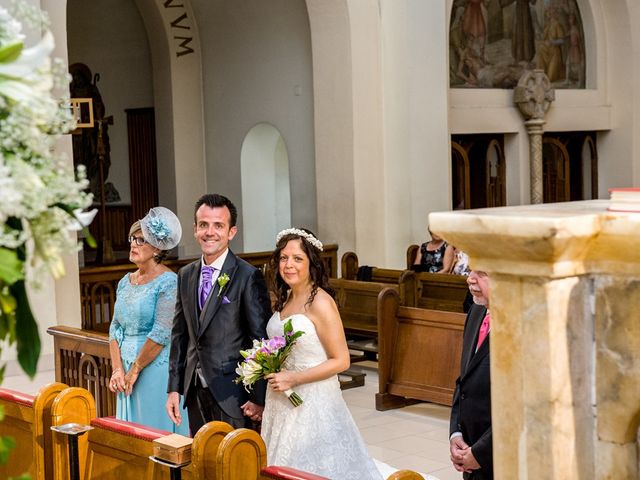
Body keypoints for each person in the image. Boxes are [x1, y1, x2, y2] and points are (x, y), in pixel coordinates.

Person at [260, 228, 383, 479]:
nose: (288, 265)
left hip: (313, 400)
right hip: (281, 398)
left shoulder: (320, 302)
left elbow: (341, 360)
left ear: (311, 263)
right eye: (283, 258)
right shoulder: (285, 299)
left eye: (297, 259)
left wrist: (294, 378)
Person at [166, 193, 271, 435]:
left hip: (234, 396)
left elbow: (260, 341)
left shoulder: (247, 276)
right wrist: (174, 388)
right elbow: (179, 335)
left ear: (231, 232)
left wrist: (258, 397)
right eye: (203, 225)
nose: (209, 232)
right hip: (194, 391)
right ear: (195, 229)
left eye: (218, 225)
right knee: (202, 464)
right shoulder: (186, 275)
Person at [108, 206, 188, 434]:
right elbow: (115, 327)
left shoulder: (169, 282)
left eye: (141, 240)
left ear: (156, 249)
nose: (133, 244)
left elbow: (161, 333)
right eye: (132, 238)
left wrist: (135, 370)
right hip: (124, 369)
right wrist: (117, 370)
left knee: (152, 433)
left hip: (153, 368)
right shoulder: (125, 281)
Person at [450, 270, 493, 479]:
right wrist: (456, 432)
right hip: (469, 446)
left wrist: (480, 453)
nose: (470, 278)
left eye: (481, 273)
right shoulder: (476, 311)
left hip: (501, 455)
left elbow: (524, 405)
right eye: (470, 271)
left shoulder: (523, 325)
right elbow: (464, 380)